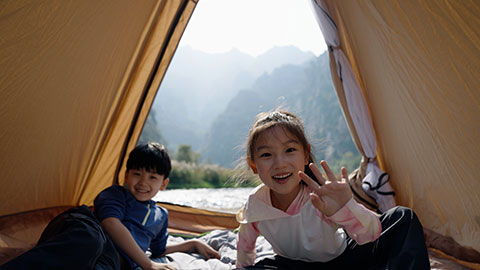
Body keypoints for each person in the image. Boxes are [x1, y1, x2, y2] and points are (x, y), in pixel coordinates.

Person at [235, 110, 430, 269]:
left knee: (403, 218)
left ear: (305, 156)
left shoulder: (322, 196)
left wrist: (346, 208)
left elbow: (370, 234)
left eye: (290, 150)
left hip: (346, 261)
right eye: (267, 154)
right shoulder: (255, 205)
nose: (280, 163)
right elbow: (245, 248)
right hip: (293, 266)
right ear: (253, 165)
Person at [94, 142, 220, 270]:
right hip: (100, 252)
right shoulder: (115, 194)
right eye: (137, 174)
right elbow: (110, 223)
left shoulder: (160, 215)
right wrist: (149, 265)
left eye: (152, 177)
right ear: (126, 176)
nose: (143, 182)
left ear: (164, 184)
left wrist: (193, 244)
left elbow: (159, 251)